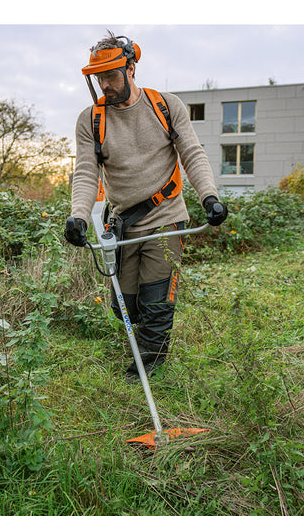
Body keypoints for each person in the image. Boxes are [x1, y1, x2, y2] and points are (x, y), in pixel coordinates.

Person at [64, 31, 228, 382]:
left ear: (131, 68)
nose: (105, 84)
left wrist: (209, 197)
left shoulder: (166, 106)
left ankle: (146, 371)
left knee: (156, 301)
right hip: (123, 222)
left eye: (111, 75)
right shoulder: (90, 121)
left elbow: (193, 154)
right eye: (99, 77)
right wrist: (78, 216)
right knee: (126, 305)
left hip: (166, 214)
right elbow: (85, 172)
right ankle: (142, 349)